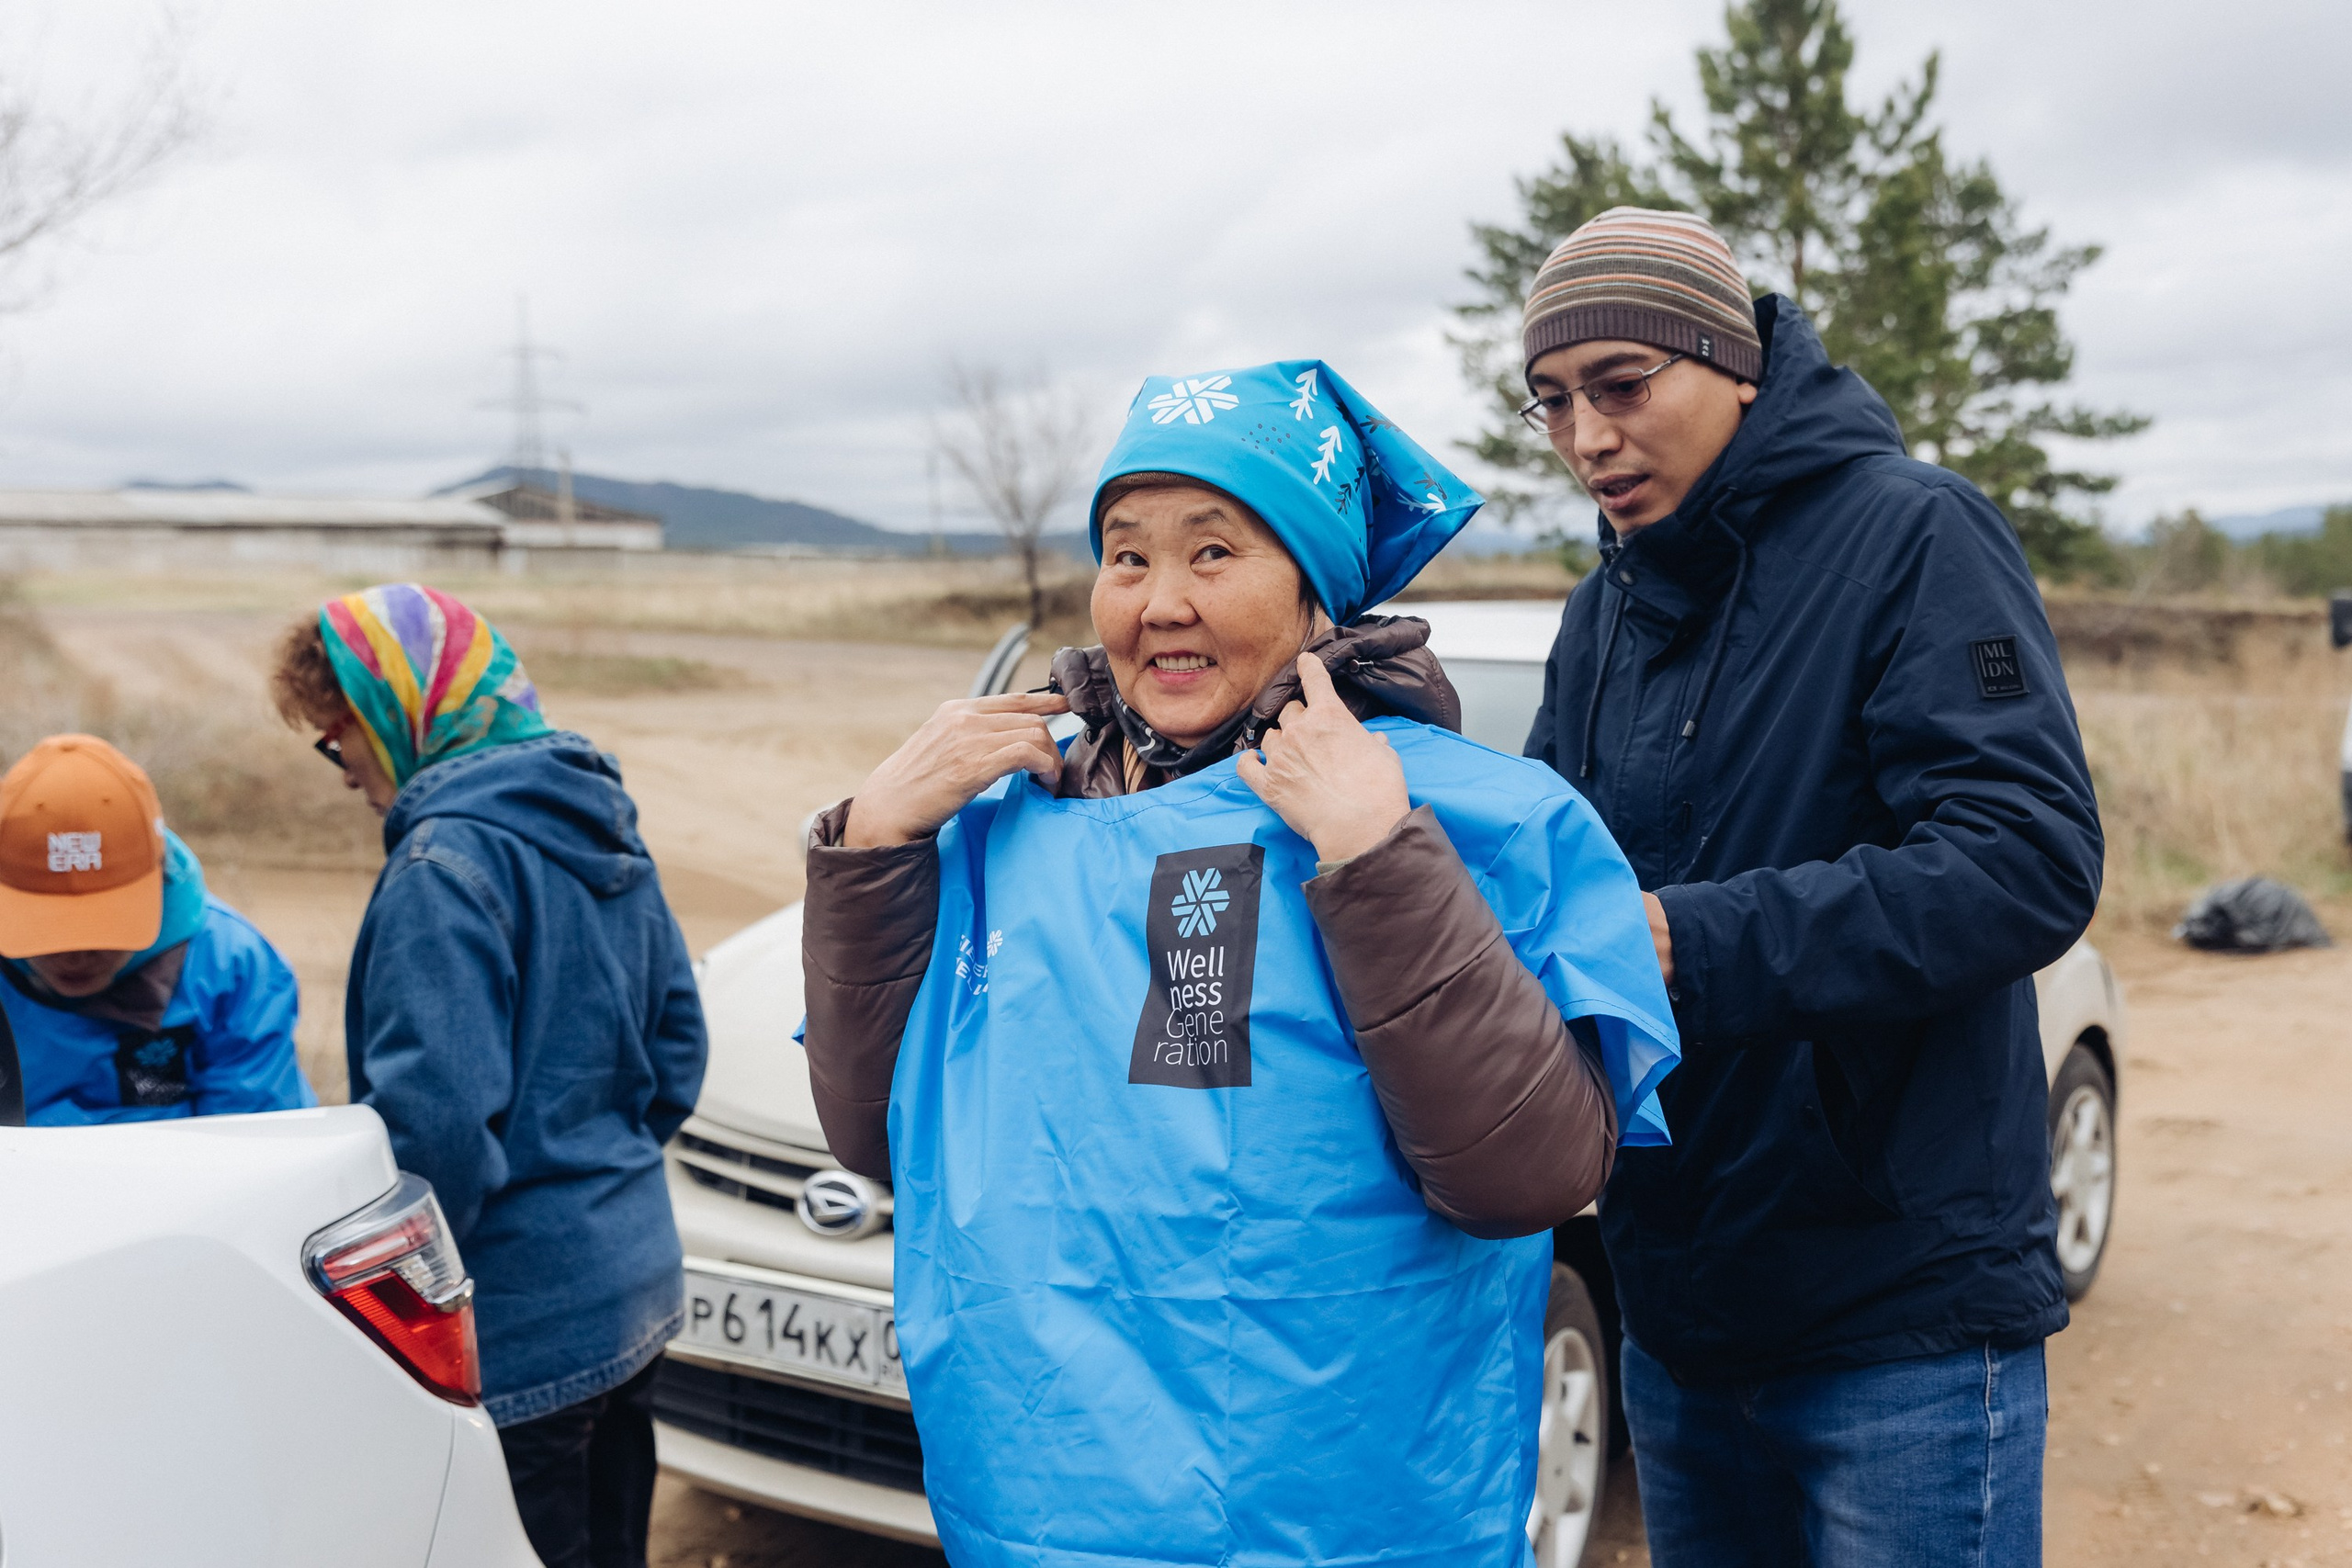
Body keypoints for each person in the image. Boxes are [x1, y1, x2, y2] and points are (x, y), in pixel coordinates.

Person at [800, 360, 1679, 1568]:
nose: (1161, 600)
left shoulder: (1480, 817)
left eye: (1214, 553)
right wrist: (872, 844)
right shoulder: (1006, 814)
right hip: (1038, 1513)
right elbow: (877, 1133)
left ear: (1316, 586)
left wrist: (1378, 857)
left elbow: (1526, 1173)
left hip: (1349, 1519)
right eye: (1127, 554)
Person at [1519, 207, 2104, 1564]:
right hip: (1681, 1302)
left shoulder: (1917, 537)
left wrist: (1684, 940)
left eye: (1621, 386)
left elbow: (2026, 858)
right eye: (1553, 401)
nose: (1587, 436)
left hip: (1895, 1305)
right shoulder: (1601, 612)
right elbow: (1548, 872)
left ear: (1734, 362)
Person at [270, 583, 707, 1568]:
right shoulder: (598, 821)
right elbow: (678, 1051)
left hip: (522, 1323)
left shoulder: (442, 864)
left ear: (398, 713)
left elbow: (438, 1134)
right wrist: (602, 1169)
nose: (340, 770)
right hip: (635, 1280)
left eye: (338, 735)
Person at [0, 733, 313, 1126]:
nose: (76, 953)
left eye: (103, 926)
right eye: (47, 927)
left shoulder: (230, 967)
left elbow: (258, 1145)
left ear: (159, 879)